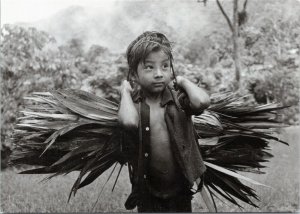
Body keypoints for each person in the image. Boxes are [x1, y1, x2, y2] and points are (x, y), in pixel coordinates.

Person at [118, 31, 211, 212]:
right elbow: (128, 122)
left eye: (165, 66)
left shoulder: (179, 101)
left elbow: (202, 102)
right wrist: (125, 92)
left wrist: (182, 80)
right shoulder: (134, 105)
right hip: (147, 190)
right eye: (149, 67)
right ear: (134, 74)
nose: (159, 74)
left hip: (180, 188)